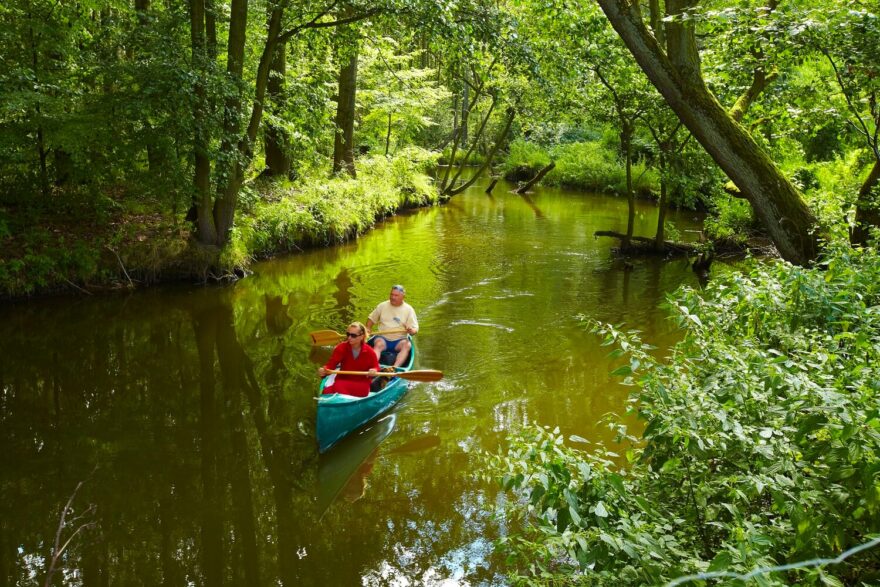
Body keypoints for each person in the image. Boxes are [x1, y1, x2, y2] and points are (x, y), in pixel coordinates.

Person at [318, 322, 378, 397]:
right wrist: (324, 371)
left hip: (361, 383)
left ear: (362, 336)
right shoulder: (341, 347)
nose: (349, 338)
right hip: (342, 380)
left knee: (335, 388)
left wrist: (373, 371)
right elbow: (330, 365)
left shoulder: (370, 352)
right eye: (348, 334)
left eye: (353, 335)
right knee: (328, 390)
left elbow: (376, 367)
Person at [366, 284, 419, 368]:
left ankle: (394, 368)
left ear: (403, 296)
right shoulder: (382, 306)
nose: (393, 297)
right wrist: (368, 328)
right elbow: (371, 319)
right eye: (391, 294)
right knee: (378, 344)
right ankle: (373, 367)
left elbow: (414, 330)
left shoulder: (409, 310)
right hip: (383, 338)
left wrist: (411, 331)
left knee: (407, 345)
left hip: (399, 340)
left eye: (396, 295)